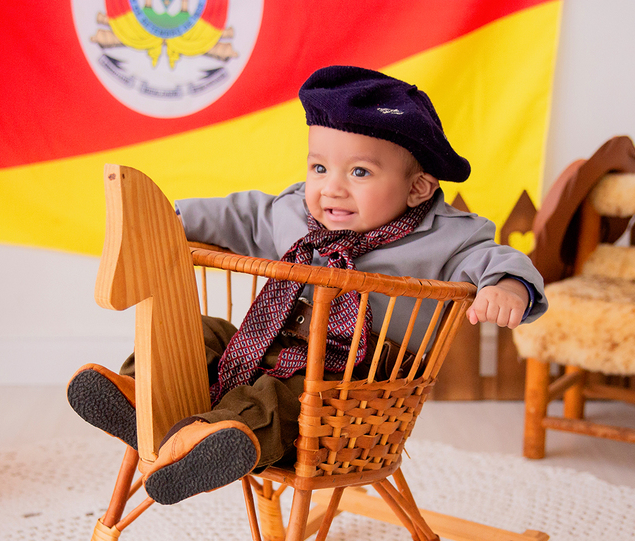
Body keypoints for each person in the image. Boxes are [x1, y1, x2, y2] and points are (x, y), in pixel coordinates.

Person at [68, 65, 547, 505]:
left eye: (359, 172)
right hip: (267, 344)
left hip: (354, 380)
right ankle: (138, 396)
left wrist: (506, 286)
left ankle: (222, 438)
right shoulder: (295, 211)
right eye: (319, 168)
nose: (331, 187)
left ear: (418, 188)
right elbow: (242, 214)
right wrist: (173, 218)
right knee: (197, 329)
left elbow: (495, 257)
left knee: (286, 396)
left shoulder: (446, 235)